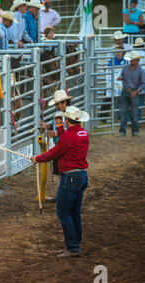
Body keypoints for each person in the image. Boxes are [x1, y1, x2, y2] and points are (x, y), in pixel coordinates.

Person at [31, 106, 90, 258]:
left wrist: (37, 158)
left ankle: (72, 246)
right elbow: (66, 140)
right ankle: (75, 243)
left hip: (69, 177)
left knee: (63, 212)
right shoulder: (83, 133)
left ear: (67, 120)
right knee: (74, 211)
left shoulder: (68, 137)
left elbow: (55, 151)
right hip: (81, 175)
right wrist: (59, 127)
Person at [39, 89, 72, 202]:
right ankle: (60, 196)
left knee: (65, 172)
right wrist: (46, 126)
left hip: (66, 148)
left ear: (64, 103)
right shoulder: (58, 115)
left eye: (58, 104)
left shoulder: (71, 115)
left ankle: (64, 196)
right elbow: (53, 127)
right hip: (59, 147)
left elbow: (72, 132)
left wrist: (55, 133)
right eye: (56, 104)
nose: (57, 106)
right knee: (59, 172)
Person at [117, 51, 145, 137]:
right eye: (131, 60)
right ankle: (122, 131)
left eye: (133, 60)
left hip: (134, 92)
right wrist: (121, 78)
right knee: (123, 112)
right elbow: (122, 76)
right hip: (125, 91)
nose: (131, 61)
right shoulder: (125, 68)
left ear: (137, 60)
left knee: (134, 113)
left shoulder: (141, 71)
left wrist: (136, 91)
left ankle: (135, 131)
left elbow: (144, 83)